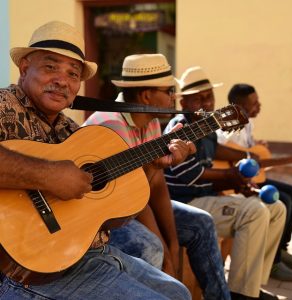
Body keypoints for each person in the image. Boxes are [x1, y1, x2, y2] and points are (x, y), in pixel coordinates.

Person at [0, 21, 193, 300]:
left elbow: (115, 217)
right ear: (25, 67)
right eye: (50, 67)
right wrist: (47, 175)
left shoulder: (72, 132)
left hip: (85, 256)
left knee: (179, 293)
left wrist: (151, 167)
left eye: (73, 73)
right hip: (27, 274)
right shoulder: (4, 105)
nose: (62, 80)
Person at [84, 54, 231, 300]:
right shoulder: (112, 126)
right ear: (146, 96)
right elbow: (134, 199)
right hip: (101, 219)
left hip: (132, 203)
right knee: (149, 247)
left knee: (202, 223)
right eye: (169, 91)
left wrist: (172, 244)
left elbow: (156, 184)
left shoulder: (151, 122)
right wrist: (164, 248)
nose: (174, 97)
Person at [164, 66, 287, 300]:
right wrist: (229, 177)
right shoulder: (180, 126)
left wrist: (242, 170)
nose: (207, 102)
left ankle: (252, 286)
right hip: (186, 202)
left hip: (206, 197)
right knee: (254, 211)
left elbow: (216, 150)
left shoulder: (206, 125)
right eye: (198, 98)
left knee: (277, 209)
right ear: (184, 102)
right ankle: (241, 293)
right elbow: (189, 174)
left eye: (209, 96)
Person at [217, 83, 292, 281]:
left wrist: (256, 146)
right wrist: (252, 154)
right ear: (240, 106)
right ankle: (273, 263)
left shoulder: (247, 122)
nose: (259, 106)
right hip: (237, 182)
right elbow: (228, 153)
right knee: (285, 200)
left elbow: (250, 152)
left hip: (252, 176)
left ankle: (280, 248)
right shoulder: (229, 127)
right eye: (254, 103)